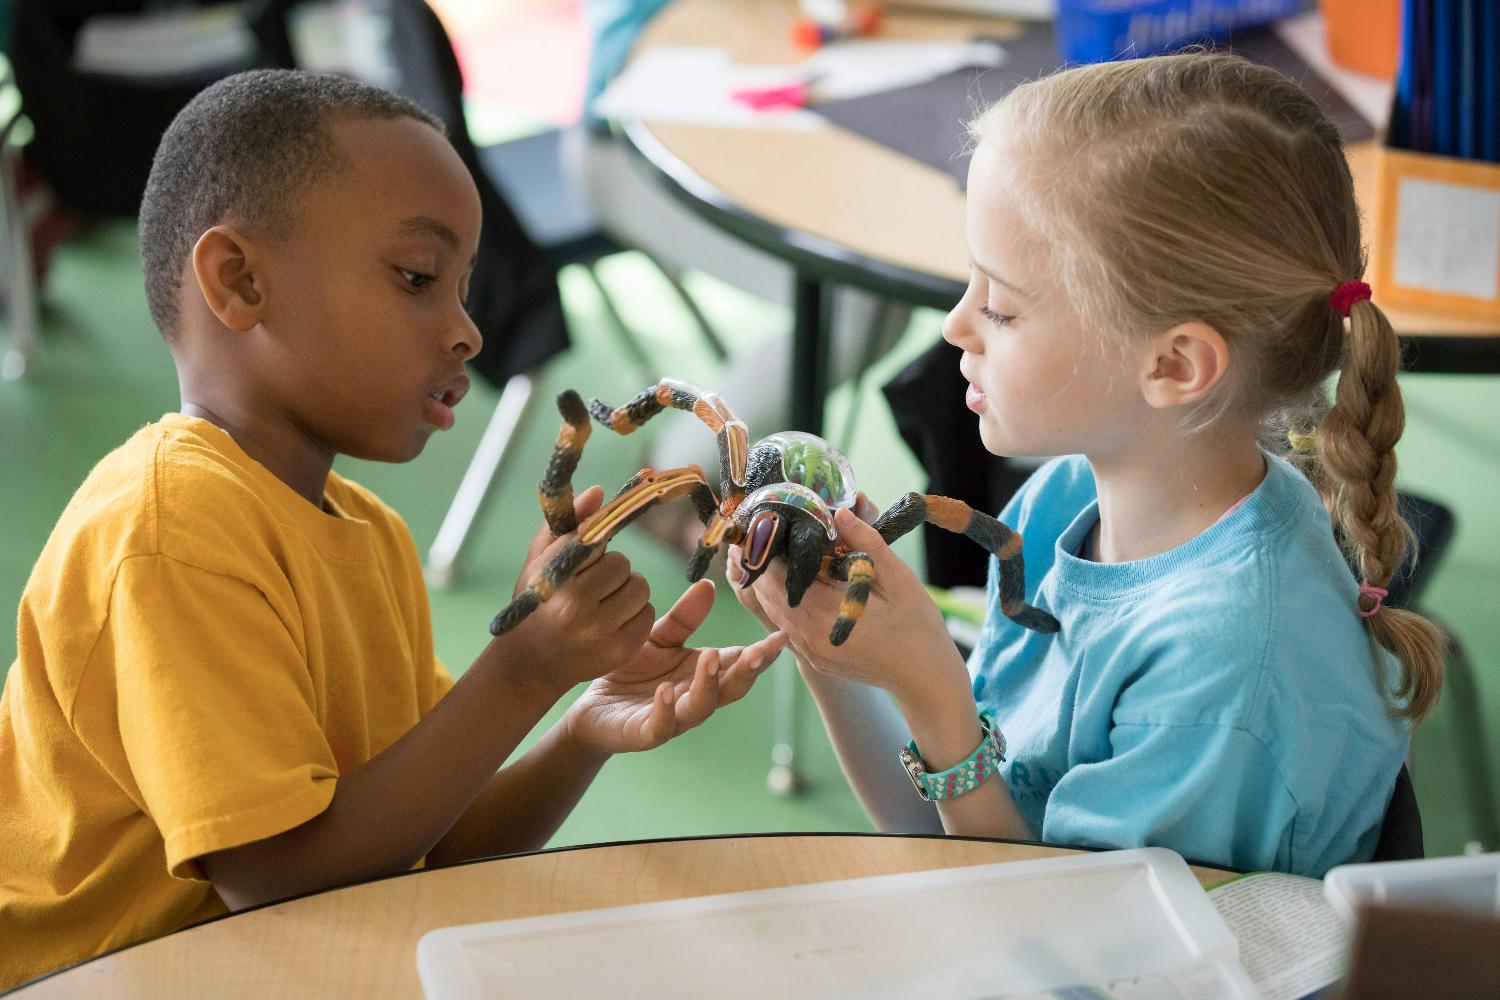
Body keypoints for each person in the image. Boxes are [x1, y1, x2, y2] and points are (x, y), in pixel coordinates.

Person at [0, 69, 786, 990]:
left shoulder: (364, 532)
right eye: (418, 278)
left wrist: (579, 723)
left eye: (462, 289)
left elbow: (421, 844)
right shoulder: (173, 527)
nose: (467, 332)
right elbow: (276, 878)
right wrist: (522, 665)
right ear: (239, 280)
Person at [733, 52, 1444, 878]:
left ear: (1174, 367)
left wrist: (932, 688)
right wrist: (830, 642)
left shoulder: (1225, 676)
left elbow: (1082, 946)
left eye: (1000, 305)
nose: (957, 326)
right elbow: (924, 827)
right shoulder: (1067, 495)